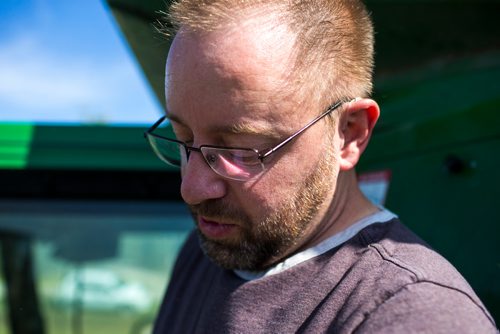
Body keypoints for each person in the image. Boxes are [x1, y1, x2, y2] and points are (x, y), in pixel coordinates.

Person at [145, 0, 498, 332]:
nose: (191, 189)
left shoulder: (416, 314)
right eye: (184, 139)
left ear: (349, 133)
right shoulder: (207, 249)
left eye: (239, 148)